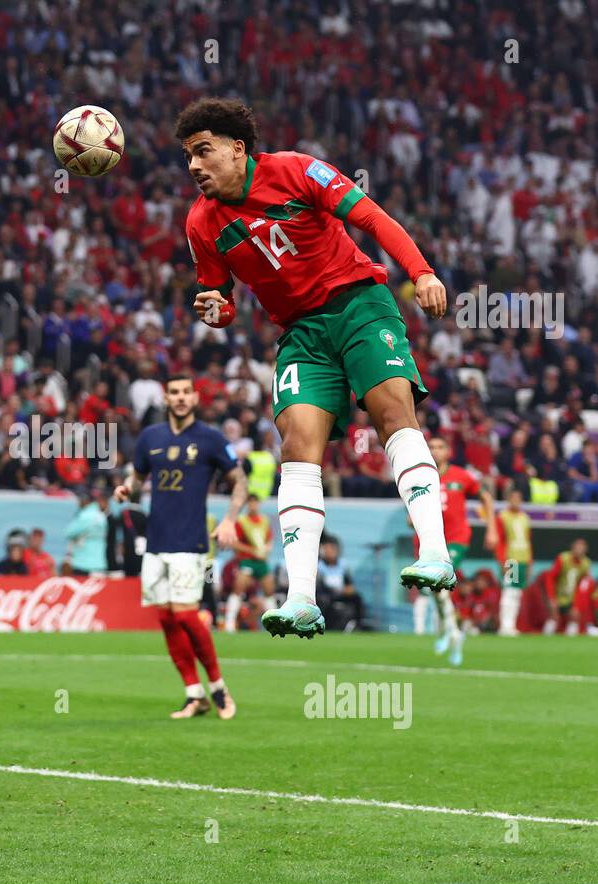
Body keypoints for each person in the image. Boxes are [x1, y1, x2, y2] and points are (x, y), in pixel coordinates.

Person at [174, 97, 452, 641]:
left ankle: (436, 554)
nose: (194, 166)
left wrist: (420, 272)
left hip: (359, 303)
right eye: (188, 157)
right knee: (298, 445)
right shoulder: (200, 223)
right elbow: (219, 298)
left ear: (238, 148)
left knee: (392, 412)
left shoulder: (296, 171)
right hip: (300, 332)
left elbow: (370, 217)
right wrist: (215, 311)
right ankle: (301, 597)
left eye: (203, 152)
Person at [114, 375, 246, 719]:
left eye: (186, 392)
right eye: (174, 392)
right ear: (166, 398)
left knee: (186, 614)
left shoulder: (211, 439)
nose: (181, 397)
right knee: (166, 618)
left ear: (195, 397)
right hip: (156, 541)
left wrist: (230, 518)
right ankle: (193, 693)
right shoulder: (150, 438)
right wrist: (127, 488)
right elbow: (138, 476)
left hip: (190, 540)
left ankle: (218, 687)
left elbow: (240, 481)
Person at [412, 435, 496, 665]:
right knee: (436, 591)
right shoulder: (420, 475)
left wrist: (492, 529)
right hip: (430, 541)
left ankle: (451, 633)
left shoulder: (461, 475)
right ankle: (449, 632)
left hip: (457, 540)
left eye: (440, 447)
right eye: (432, 447)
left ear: (448, 452)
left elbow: (486, 497)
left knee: (439, 581)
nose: (436, 451)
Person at [492, 489, 533, 636]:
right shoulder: (503, 517)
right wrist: (502, 560)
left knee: (517, 593)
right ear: (509, 500)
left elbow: (528, 541)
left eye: (519, 499)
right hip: (512, 560)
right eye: (513, 498)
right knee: (509, 591)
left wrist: (530, 562)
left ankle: (511, 625)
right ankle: (505, 625)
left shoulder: (525, 518)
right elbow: (500, 541)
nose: (516, 501)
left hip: (523, 559)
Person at [314, 535, 365, 633]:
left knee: (357, 598)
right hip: (326, 595)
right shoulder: (319, 566)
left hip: (341, 594)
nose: (330, 551)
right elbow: (320, 587)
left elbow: (349, 585)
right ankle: (323, 625)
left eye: (332, 548)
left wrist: (345, 590)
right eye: (327, 549)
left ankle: (357, 625)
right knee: (323, 600)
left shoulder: (343, 565)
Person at [544, 538, 592, 636]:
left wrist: (577, 605)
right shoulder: (563, 558)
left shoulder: (586, 564)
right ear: (572, 548)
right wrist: (551, 598)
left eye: (582, 547)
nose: (579, 550)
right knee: (554, 617)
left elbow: (583, 587)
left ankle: (570, 640)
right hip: (558, 594)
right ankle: (545, 638)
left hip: (572, 597)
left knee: (574, 617)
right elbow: (550, 578)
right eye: (577, 547)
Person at [64, 487, 111, 574]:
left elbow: (68, 532)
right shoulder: (101, 517)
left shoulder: (85, 516)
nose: (78, 502)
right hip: (99, 563)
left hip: (83, 564)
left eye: (80, 499)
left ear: (86, 501)